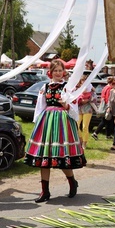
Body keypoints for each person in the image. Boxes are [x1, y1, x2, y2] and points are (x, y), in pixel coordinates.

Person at [24, 59, 85, 202]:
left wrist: (67, 106)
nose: (58, 73)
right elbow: (40, 107)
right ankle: (45, 191)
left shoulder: (68, 88)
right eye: (55, 71)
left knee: (62, 157)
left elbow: (75, 111)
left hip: (63, 124)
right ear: (50, 72)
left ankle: (72, 182)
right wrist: (37, 126)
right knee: (45, 158)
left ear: (64, 72)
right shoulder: (45, 87)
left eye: (60, 70)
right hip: (46, 123)